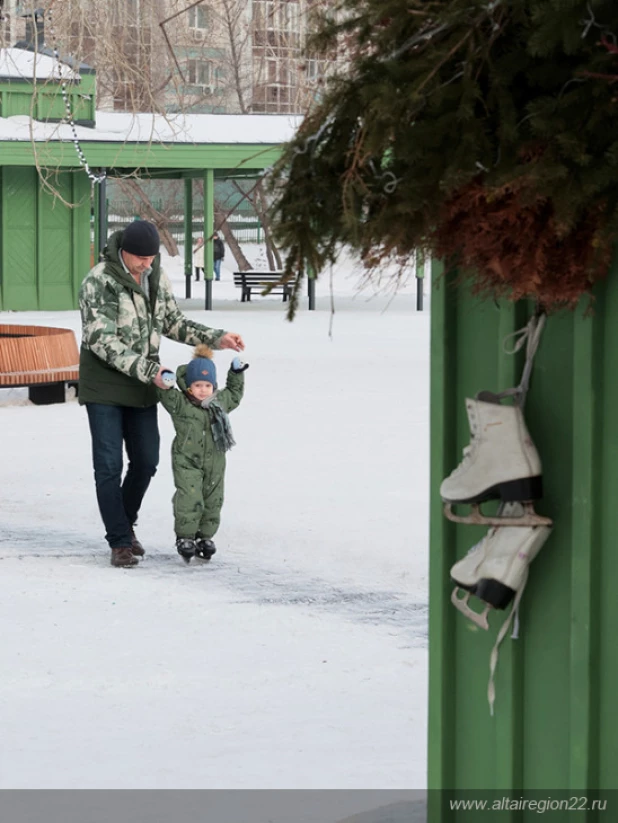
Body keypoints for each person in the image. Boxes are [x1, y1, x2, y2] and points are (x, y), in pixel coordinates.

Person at [78, 220, 245, 568]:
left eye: (151, 258)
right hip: (105, 384)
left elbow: (172, 322)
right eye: (140, 258)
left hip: (143, 384)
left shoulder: (155, 276)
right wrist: (151, 371)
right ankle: (120, 540)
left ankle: (124, 521)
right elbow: (102, 341)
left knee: (147, 461)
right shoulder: (99, 281)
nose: (146, 264)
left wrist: (217, 338)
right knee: (108, 466)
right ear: (124, 251)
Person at [156, 344, 248, 563]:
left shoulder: (219, 403)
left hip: (216, 460)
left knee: (213, 499)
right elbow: (167, 396)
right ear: (189, 386)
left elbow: (234, 394)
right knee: (189, 496)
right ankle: (185, 536)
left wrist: (235, 373)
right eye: (198, 385)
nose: (203, 389)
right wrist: (166, 383)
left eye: (207, 385)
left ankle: (205, 536)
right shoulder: (181, 405)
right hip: (186, 460)